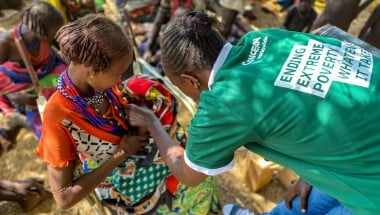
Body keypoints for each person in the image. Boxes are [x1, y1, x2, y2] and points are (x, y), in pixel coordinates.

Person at [125, 11, 380, 214]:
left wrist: (153, 123)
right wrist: (311, 172)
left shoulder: (223, 103)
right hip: (363, 138)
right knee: (303, 203)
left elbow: (188, 174)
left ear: (190, 81)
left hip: (370, 180)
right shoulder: (264, 39)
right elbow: (321, 94)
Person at [36, 14, 219, 214]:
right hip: (125, 187)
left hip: (142, 156)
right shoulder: (58, 118)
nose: (120, 82)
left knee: (197, 176)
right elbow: (64, 196)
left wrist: (142, 124)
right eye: (118, 74)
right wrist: (119, 155)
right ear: (93, 71)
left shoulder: (96, 87)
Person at [0, 1, 66, 148]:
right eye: (53, 34)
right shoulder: (5, 44)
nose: (56, 36)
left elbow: (59, 55)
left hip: (48, 73)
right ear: (40, 32)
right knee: (51, 136)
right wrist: (11, 97)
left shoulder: (41, 36)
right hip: (23, 87)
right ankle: (19, 119)